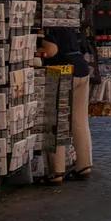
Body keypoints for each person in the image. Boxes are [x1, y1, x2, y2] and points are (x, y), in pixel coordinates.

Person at [38, 26, 92, 182]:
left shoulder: (50, 27)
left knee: (55, 121)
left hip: (61, 70)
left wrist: (37, 49)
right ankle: (84, 166)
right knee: (80, 121)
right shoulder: (68, 26)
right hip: (81, 69)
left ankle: (56, 172)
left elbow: (51, 50)